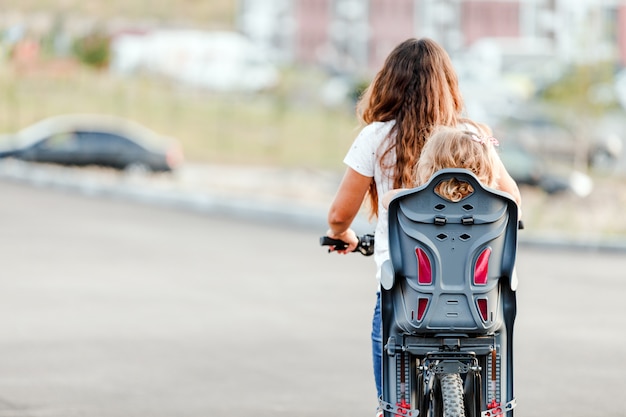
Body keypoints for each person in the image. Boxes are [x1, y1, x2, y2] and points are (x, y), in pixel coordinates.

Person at [325, 37, 522, 407]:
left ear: (389, 83)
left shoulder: (376, 137)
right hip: (477, 297)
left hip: (407, 296)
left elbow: (338, 215)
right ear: (449, 86)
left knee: (395, 401)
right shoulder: (473, 137)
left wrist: (341, 235)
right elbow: (511, 200)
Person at [381, 124, 520, 208]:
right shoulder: (494, 204)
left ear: (428, 167)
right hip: (479, 258)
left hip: (424, 258)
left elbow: (388, 199)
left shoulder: (417, 201)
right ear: (488, 170)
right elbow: (516, 211)